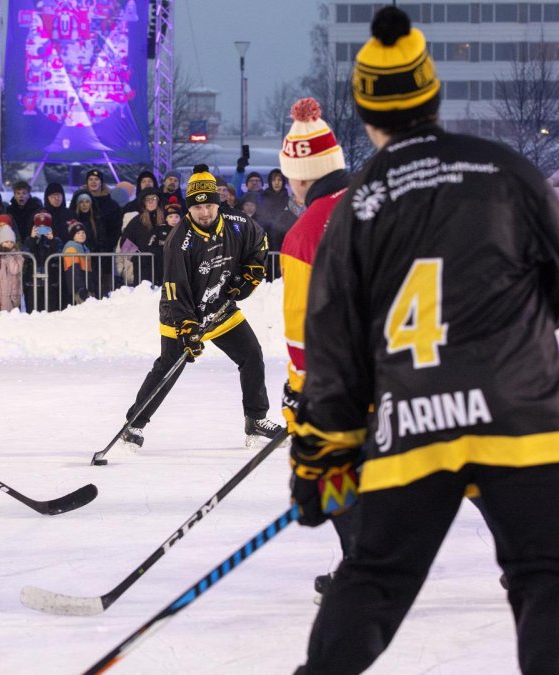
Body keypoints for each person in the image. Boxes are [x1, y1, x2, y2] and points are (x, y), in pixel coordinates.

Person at [289, 9, 559, 673]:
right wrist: (515, 333)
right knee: (548, 581)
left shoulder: (358, 204)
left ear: (368, 111)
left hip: (416, 419)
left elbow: (334, 351)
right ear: (432, 95)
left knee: (372, 579)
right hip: (524, 414)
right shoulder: (506, 170)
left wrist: (320, 460)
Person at [118, 165, 281, 451]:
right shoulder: (178, 241)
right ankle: (134, 424)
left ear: (218, 203)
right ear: (189, 209)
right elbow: (176, 289)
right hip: (181, 310)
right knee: (169, 367)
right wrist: (188, 326)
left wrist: (251, 272)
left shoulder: (236, 222)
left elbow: (260, 242)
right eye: (197, 208)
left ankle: (256, 419)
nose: (204, 213)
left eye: (209, 206)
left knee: (251, 354)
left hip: (219, 304)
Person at [276, 96, 357, 593]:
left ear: (302, 177)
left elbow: (302, 334)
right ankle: (530, 555)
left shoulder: (306, 233)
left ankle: (361, 567)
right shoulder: (383, 200)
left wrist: (300, 393)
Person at [0, 224, 24, 311]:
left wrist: (10, 256)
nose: (9, 244)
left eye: (11, 242)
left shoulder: (17, 255)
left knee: (13, 316)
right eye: (6, 242)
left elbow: (14, 270)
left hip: (13, 295)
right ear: (1, 242)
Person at [62, 222, 94, 306]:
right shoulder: (71, 248)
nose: (81, 235)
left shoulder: (85, 248)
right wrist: (80, 288)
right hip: (79, 289)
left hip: (86, 286)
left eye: (83, 232)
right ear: (72, 236)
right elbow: (73, 270)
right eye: (78, 233)